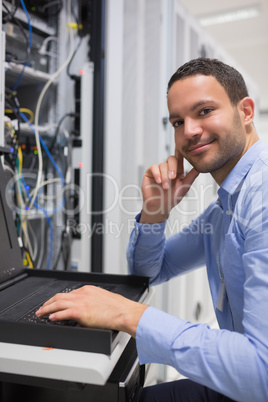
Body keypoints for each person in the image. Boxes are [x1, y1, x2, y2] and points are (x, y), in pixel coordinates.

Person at [36, 58, 268, 401]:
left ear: (246, 111)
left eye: (204, 111)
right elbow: (150, 270)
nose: (189, 130)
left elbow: (261, 373)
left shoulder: (260, 196)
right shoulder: (225, 207)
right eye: (178, 121)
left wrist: (128, 313)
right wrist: (155, 213)